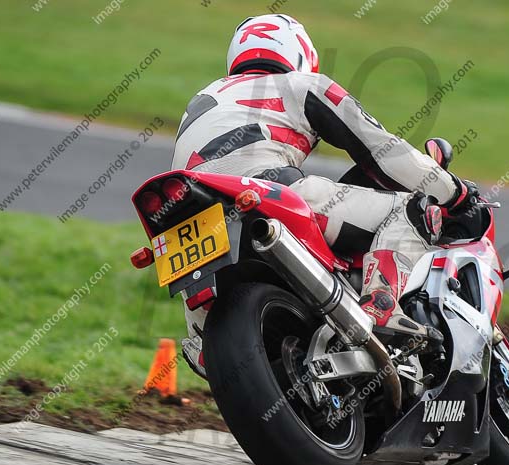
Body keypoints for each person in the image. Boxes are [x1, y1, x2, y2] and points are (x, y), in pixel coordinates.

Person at [172, 14, 480, 360]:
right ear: (301, 54)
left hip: (190, 220)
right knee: (412, 212)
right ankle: (382, 307)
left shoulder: (200, 100)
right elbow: (383, 150)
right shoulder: (302, 84)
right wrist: (455, 192)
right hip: (265, 191)